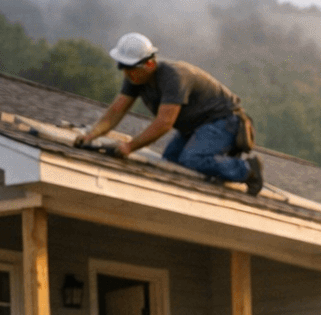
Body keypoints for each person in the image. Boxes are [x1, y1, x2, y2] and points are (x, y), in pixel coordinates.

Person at [75, 32, 264, 195]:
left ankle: (247, 169)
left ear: (149, 64)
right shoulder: (134, 79)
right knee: (171, 162)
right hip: (195, 127)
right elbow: (116, 111)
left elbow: (164, 123)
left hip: (225, 122)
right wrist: (90, 135)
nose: (126, 74)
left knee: (191, 159)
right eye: (122, 67)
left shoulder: (173, 76)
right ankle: (219, 165)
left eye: (130, 68)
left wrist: (129, 147)